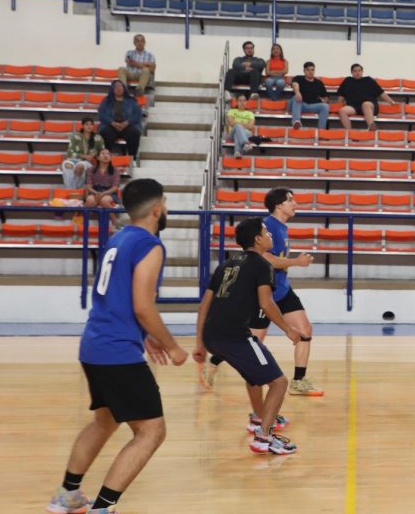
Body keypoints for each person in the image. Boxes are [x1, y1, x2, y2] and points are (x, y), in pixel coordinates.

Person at [44, 179, 188, 514]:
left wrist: (147, 335)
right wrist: (173, 345)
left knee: (105, 421)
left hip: (93, 345)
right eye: (164, 203)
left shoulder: (118, 239)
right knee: (151, 431)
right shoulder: (149, 245)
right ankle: (103, 507)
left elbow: (119, 298)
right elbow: (142, 305)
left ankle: (67, 495)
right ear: (157, 209)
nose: (165, 209)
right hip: (117, 351)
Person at [201, 188, 324, 397]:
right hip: (266, 293)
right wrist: (296, 262)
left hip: (283, 289)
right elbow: (266, 259)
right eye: (290, 200)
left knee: (305, 330)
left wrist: (286, 266)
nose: (295, 203)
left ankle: (299, 381)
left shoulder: (282, 228)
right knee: (254, 341)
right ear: (279, 205)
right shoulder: (270, 226)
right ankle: (214, 362)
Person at [192, 217, 300, 455]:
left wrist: (200, 343)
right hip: (235, 336)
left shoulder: (225, 265)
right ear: (257, 239)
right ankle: (264, 437)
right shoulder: (262, 265)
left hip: (212, 335)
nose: (270, 236)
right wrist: (288, 329)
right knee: (279, 383)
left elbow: (203, 306)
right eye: (266, 232)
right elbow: (267, 304)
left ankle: (257, 419)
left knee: (254, 376)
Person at [335, 63, 397, 131]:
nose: (357, 72)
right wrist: (336, 107)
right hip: (354, 107)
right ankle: (350, 133)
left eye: (359, 70)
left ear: (362, 72)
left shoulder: (368, 80)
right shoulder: (347, 81)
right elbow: (341, 96)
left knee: (365, 104)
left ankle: (371, 127)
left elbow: (381, 93)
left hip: (370, 106)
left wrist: (391, 102)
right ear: (351, 72)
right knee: (342, 111)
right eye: (355, 71)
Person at [97, 80, 142, 158]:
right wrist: (112, 123)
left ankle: (132, 158)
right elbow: (102, 114)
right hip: (111, 125)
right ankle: (106, 157)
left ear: (124, 88)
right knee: (104, 133)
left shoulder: (131, 101)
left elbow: (137, 114)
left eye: (120, 86)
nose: (119, 88)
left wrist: (127, 122)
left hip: (127, 125)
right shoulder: (106, 101)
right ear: (112, 89)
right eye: (116, 87)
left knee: (134, 133)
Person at [62, 117, 105, 190]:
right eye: (87, 124)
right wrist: (84, 156)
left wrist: (94, 154)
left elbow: (102, 151)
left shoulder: (98, 138)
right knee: (67, 165)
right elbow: (70, 152)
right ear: (82, 126)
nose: (89, 126)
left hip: (87, 162)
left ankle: (77, 189)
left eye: (91, 124)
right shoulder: (75, 136)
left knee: (80, 166)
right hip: (74, 159)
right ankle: (70, 190)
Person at [85, 148, 121, 228]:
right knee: (90, 200)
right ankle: (85, 223)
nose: (105, 155)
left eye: (108, 154)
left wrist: (103, 193)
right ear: (97, 157)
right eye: (102, 153)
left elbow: (115, 187)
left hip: (109, 192)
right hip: (94, 191)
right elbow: (88, 186)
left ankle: (115, 223)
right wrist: (96, 193)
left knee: (104, 200)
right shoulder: (90, 170)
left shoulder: (115, 171)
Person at [289, 61, 330, 130]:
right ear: (304, 71)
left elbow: (326, 98)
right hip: (298, 104)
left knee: (325, 106)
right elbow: (295, 84)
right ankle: (296, 121)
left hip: (311, 105)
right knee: (297, 97)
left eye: (312, 70)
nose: (310, 72)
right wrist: (297, 92)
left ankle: (321, 131)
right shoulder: (299, 78)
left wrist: (323, 100)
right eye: (308, 70)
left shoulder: (319, 83)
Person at [116, 33, 155, 98]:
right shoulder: (129, 53)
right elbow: (129, 62)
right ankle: (123, 89)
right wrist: (146, 64)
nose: (140, 43)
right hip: (130, 73)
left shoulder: (150, 55)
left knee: (146, 70)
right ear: (134, 43)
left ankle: (139, 90)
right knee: (121, 69)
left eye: (142, 41)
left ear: (144, 42)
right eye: (137, 41)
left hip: (141, 75)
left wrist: (135, 63)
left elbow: (152, 68)